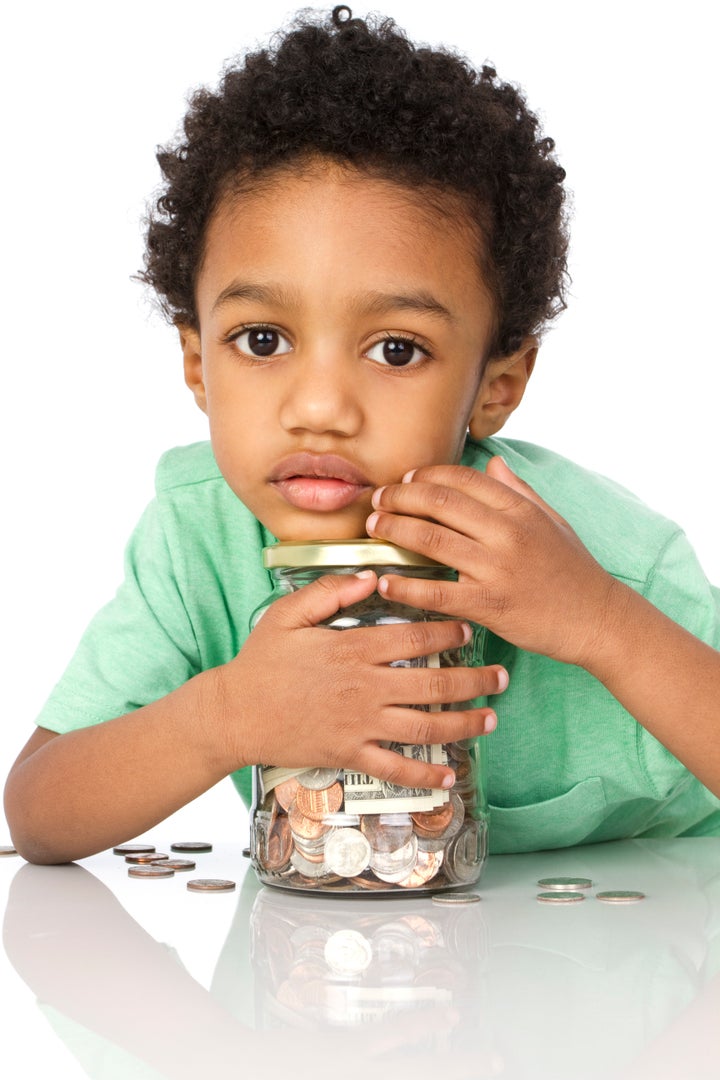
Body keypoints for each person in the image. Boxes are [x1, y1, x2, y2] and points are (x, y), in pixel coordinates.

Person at [5, 6, 719, 865]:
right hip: (342, 965)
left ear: (496, 387)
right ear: (197, 365)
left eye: (395, 349)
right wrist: (227, 713)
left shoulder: (594, 555)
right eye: (262, 340)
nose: (320, 408)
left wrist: (603, 623)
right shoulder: (198, 539)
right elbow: (39, 815)